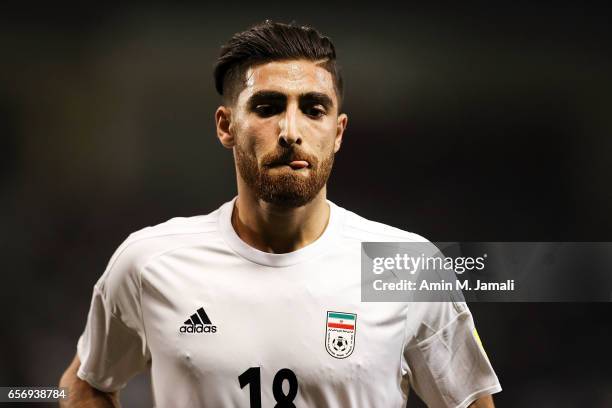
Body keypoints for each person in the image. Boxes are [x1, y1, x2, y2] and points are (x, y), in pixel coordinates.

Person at [60, 20, 501, 407]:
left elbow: (469, 402)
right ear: (226, 125)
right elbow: (87, 384)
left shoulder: (404, 266)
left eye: (313, 109)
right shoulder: (148, 262)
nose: (291, 131)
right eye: (268, 108)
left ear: (338, 131)